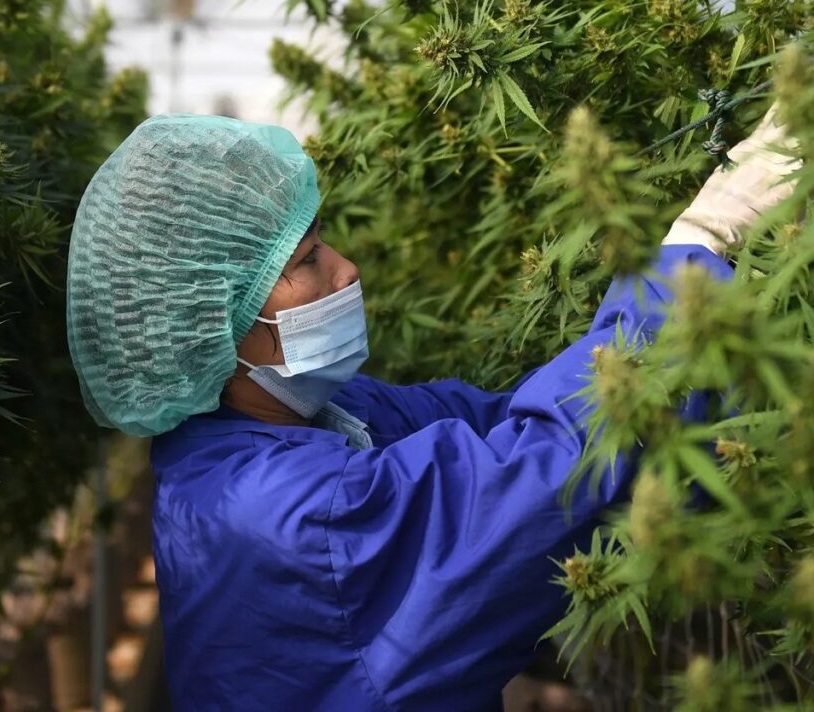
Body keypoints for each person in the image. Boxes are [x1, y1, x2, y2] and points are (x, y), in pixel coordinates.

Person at [66, 109, 799, 712]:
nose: (346, 268)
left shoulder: (266, 430)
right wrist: (702, 247)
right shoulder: (298, 519)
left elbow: (498, 427)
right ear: (216, 328)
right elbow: (540, 477)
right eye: (308, 259)